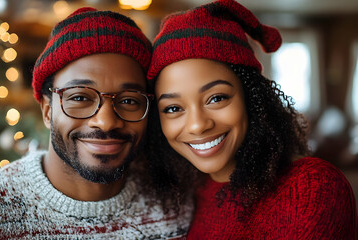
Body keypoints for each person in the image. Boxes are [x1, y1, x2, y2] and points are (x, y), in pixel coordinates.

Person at [0, 7, 193, 239]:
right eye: (79, 97)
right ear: (47, 110)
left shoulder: (176, 200)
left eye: (129, 101)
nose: (105, 121)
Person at [145, 0, 357, 239]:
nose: (197, 124)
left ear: (252, 97)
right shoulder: (185, 195)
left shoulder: (311, 187)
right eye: (173, 108)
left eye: (216, 98)